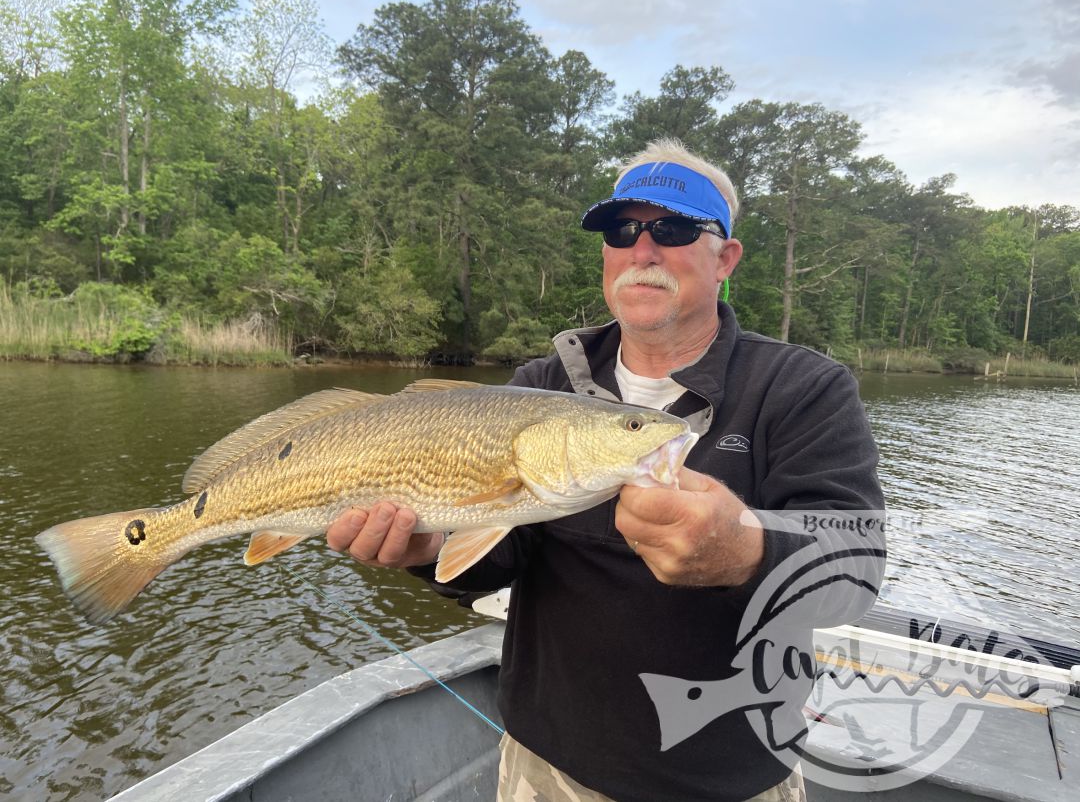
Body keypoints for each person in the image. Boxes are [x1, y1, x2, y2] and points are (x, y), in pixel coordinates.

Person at [327, 138, 886, 802]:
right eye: (623, 230)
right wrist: (426, 548)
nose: (643, 250)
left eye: (674, 229)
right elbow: (504, 557)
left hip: (733, 779)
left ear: (725, 257)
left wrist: (741, 548)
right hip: (549, 766)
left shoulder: (802, 388)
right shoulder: (540, 384)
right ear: (605, 254)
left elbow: (854, 568)